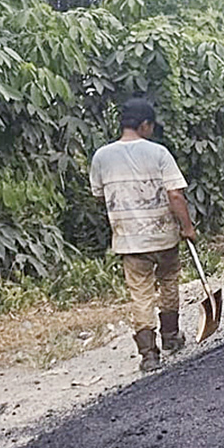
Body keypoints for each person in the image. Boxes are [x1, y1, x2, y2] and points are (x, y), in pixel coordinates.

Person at [89, 98, 196, 373]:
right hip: (163, 236)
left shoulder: (101, 156)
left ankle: (149, 354)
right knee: (169, 282)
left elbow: (99, 195)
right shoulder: (158, 153)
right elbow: (175, 194)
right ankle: (171, 336)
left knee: (141, 293)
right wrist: (187, 227)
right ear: (145, 124)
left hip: (129, 240)